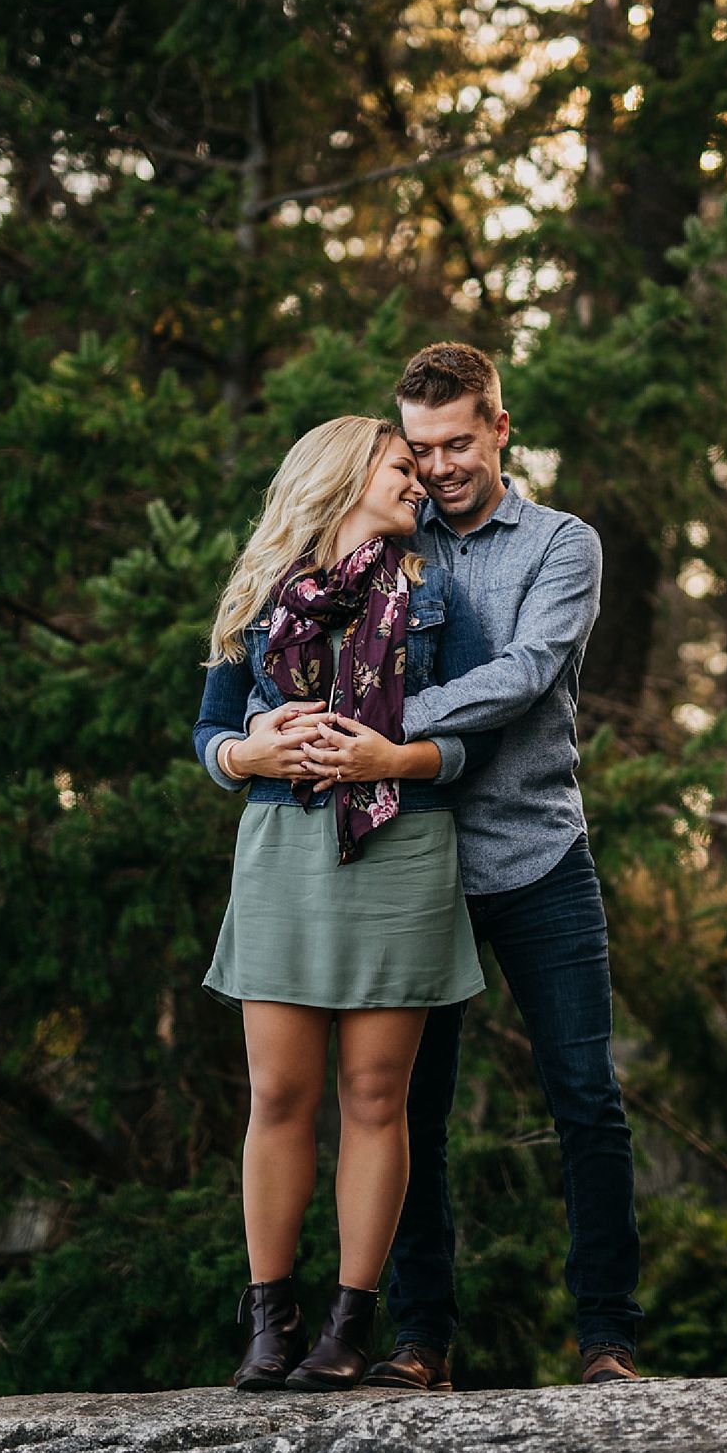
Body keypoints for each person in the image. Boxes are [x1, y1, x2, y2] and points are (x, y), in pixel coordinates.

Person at [299, 343, 642, 1388]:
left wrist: (376, 724)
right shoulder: (389, 536)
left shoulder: (560, 543)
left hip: (538, 853)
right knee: (406, 1108)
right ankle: (419, 1338)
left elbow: (526, 676)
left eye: (457, 441)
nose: (439, 465)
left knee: (584, 1091)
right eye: (420, 447)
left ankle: (607, 1336)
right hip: (416, 864)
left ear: (499, 425)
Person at [192, 415, 494, 1394]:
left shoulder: (438, 597)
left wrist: (387, 755)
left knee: (374, 1096)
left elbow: (466, 741)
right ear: (345, 476)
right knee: (278, 1093)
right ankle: (268, 1322)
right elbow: (208, 731)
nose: (421, 482)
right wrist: (250, 751)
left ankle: (345, 1327)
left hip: (402, 843)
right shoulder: (260, 594)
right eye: (403, 466)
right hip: (283, 840)